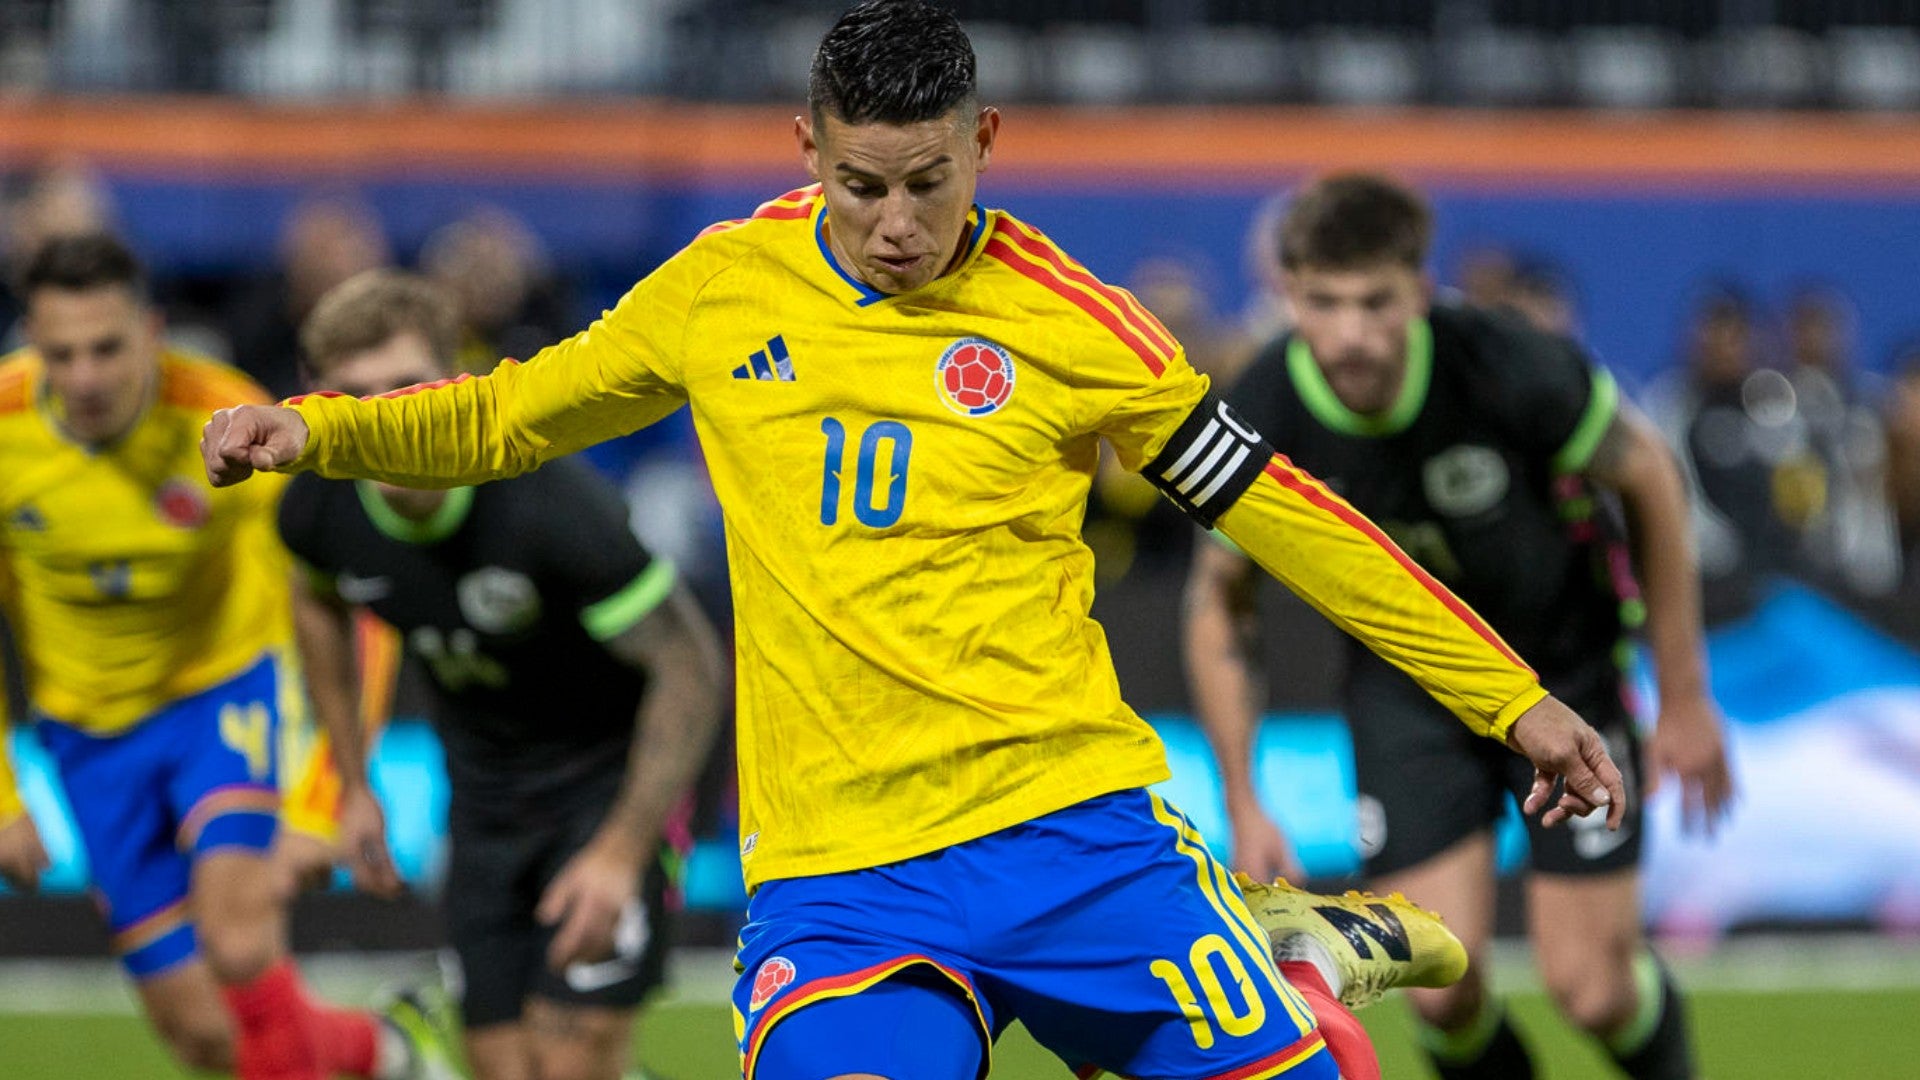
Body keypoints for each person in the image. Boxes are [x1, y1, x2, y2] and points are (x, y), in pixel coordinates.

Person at [202, 5, 1628, 1078]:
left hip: (1073, 831)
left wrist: (1514, 702)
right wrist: (319, 431)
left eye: (929, 182)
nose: (894, 224)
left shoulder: (1078, 325)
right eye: (862, 184)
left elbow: (1299, 523)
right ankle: (1281, 956)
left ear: (986, 144)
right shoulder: (719, 290)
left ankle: (1300, 976)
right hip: (839, 872)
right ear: (806, 146)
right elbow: (504, 419)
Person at [1184, 173, 1733, 1080]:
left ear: (1421, 291)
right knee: (1441, 986)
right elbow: (1217, 599)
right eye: (1323, 302)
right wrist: (1242, 798)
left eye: (1376, 302)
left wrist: (1683, 694)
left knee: (1592, 989)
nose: (1351, 332)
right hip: (1411, 697)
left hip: (1566, 677)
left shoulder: (1508, 363)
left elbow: (1651, 477)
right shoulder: (1263, 409)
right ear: (1287, 294)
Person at [0, 232, 454, 1080]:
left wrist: (325, 800)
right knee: (207, 1036)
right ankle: (387, 1048)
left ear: (152, 332)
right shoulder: (5, 426)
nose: (87, 376)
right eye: (61, 352)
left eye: (108, 347)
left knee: (241, 941)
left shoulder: (222, 415)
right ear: (30, 341)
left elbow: (346, 593)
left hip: (221, 699)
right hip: (86, 735)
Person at [281, 269, 724, 1080]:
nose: (388, 418)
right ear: (317, 399)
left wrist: (623, 849)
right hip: (483, 802)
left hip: (608, 787)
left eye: (408, 388)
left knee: (571, 1058)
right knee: (503, 1067)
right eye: (357, 394)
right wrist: (352, 782)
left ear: (459, 384)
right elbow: (317, 605)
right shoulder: (317, 509)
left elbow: (690, 667)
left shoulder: (551, 507)